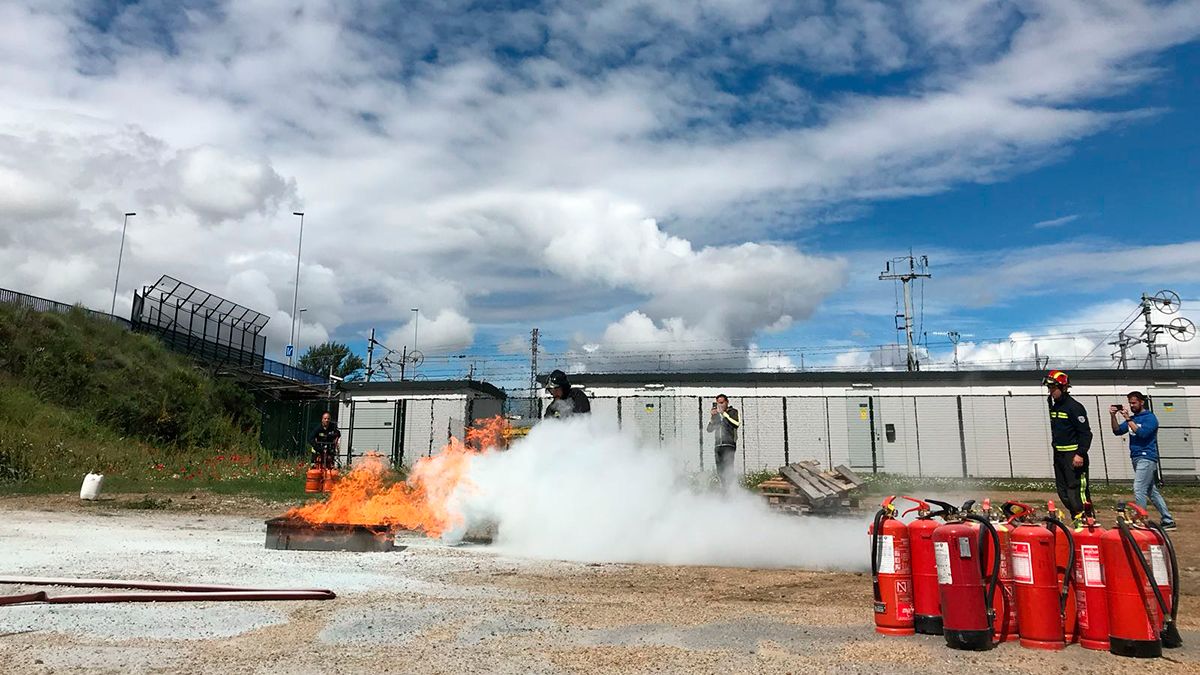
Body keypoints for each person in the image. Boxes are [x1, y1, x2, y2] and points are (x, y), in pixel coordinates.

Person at [1111, 391, 1176, 530]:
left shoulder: (1150, 418)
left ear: (1142, 402)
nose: (1131, 405)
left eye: (1134, 402)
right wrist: (1113, 416)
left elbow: (1143, 434)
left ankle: (1140, 519)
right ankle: (1167, 519)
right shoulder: (1133, 418)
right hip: (1136, 457)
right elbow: (1117, 431)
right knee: (1151, 491)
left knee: (1139, 488)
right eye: (1130, 403)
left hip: (1147, 457)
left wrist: (1128, 419)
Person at [1044, 370, 1093, 523]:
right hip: (1059, 455)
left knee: (1076, 491)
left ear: (1064, 388)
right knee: (1063, 491)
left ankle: (1087, 522)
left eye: (1054, 388)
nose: (1051, 391)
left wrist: (1080, 453)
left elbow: (1086, 433)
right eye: (1049, 388)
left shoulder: (1074, 407)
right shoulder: (1055, 407)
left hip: (1073, 456)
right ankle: (1077, 519)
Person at [706, 394, 741, 489]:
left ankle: (731, 489)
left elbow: (736, 424)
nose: (720, 405)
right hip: (718, 445)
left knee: (728, 468)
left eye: (721, 403)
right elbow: (709, 429)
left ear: (727, 402)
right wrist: (712, 417)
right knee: (720, 470)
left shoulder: (733, 411)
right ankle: (724, 489)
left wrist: (724, 414)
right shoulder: (717, 415)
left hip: (729, 444)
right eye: (718, 403)